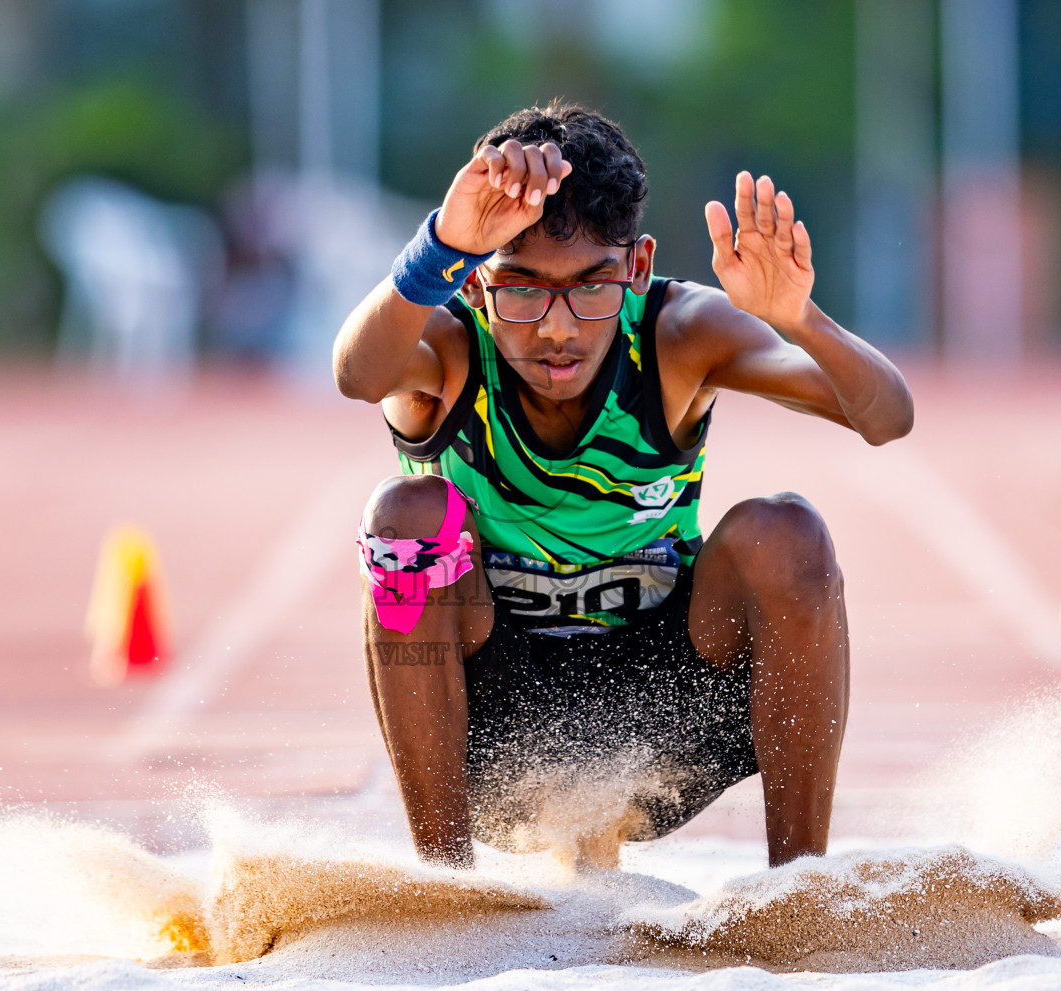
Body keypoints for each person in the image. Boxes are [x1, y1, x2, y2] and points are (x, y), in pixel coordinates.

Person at [334, 103, 913, 870]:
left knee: (788, 532)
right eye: (524, 290)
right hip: (492, 738)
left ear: (637, 267)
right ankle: (448, 886)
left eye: (590, 287)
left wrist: (801, 321)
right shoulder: (444, 344)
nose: (557, 328)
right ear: (477, 280)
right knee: (406, 517)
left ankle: (799, 885)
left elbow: (885, 416)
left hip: (663, 726)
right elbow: (356, 374)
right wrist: (439, 244)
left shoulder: (679, 335)